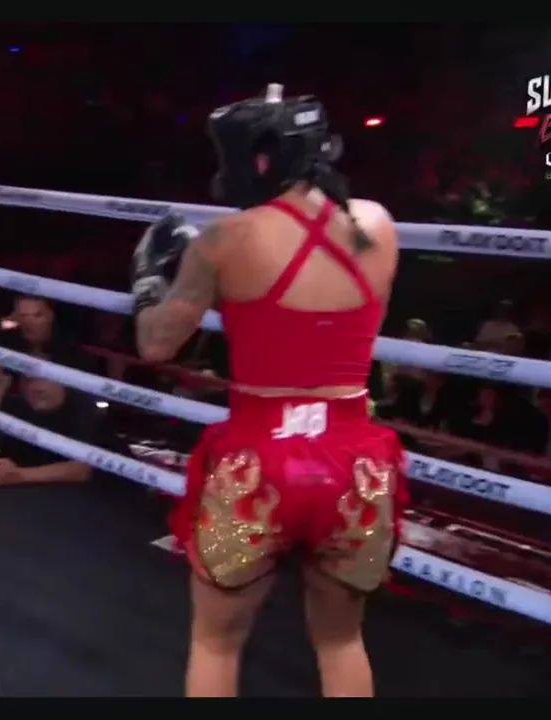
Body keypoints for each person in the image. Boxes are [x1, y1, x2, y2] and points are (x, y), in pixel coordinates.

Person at [132, 84, 405, 697]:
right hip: (354, 464)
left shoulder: (227, 239)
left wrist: (150, 282)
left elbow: (156, 343)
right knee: (341, 641)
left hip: (260, 462)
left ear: (259, 158)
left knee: (215, 643)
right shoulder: (379, 226)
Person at [0, 377, 97, 489]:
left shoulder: (81, 407)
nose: (34, 388)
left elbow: (82, 470)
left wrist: (20, 474)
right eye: (28, 381)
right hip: (17, 500)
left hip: (71, 504)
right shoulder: (15, 405)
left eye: (43, 380)